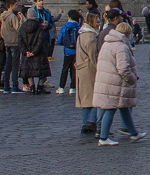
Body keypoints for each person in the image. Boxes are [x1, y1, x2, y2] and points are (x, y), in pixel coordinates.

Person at [90, 10, 144, 145]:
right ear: (127, 34)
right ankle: (103, 138)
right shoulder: (121, 46)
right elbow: (123, 68)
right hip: (114, 82)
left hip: (106, 79)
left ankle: (134, 133)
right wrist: (132, 78)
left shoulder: (108, 42)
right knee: (111, 108)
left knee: (124, 108)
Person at [18, 9, 51, 94]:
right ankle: (40, 87)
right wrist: (34, 51)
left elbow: (20, 41)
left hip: (27, 53)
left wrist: (26, 51)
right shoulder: (39, 26)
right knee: (43, 71)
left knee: (28, 71)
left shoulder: (22, 26)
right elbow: (40, 41)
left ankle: (32, 87)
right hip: (39, 53)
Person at [0, 2, 25, 93]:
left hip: (7, 42)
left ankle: (6, 86)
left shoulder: (3, 17)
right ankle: (15, 86)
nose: (17, 7)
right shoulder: (12, 17)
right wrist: (21, 20)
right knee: (15, 65)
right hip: (14, 42)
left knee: (8, 65)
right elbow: (18, 29)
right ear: (11, 5)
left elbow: (2, 31)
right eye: (16, 5)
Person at [55, 9, 82, 93]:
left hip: (67, 51)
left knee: (65, 69)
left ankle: (61, 87)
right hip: (76, 51)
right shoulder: (78, 28)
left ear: (69, 17)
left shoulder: (65, 27)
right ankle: (72, 88)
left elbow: (59, 41)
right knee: (74, 69)